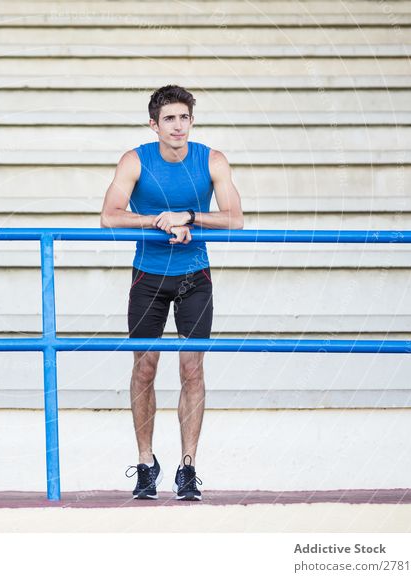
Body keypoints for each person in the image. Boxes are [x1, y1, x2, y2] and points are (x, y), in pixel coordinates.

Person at [100, 85, 244, 500]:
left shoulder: (212, 159)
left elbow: (236, 219)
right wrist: (159, 221)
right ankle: (146, 463)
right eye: (169, 119)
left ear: (191, 121)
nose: (177, 126)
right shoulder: (135, 159)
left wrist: (191, 216)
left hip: (194, 276)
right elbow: (109, 216)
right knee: (144, 368)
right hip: (148, 277)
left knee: (192, 369)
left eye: (184, 117)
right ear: (154, 125)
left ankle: (188, 467)